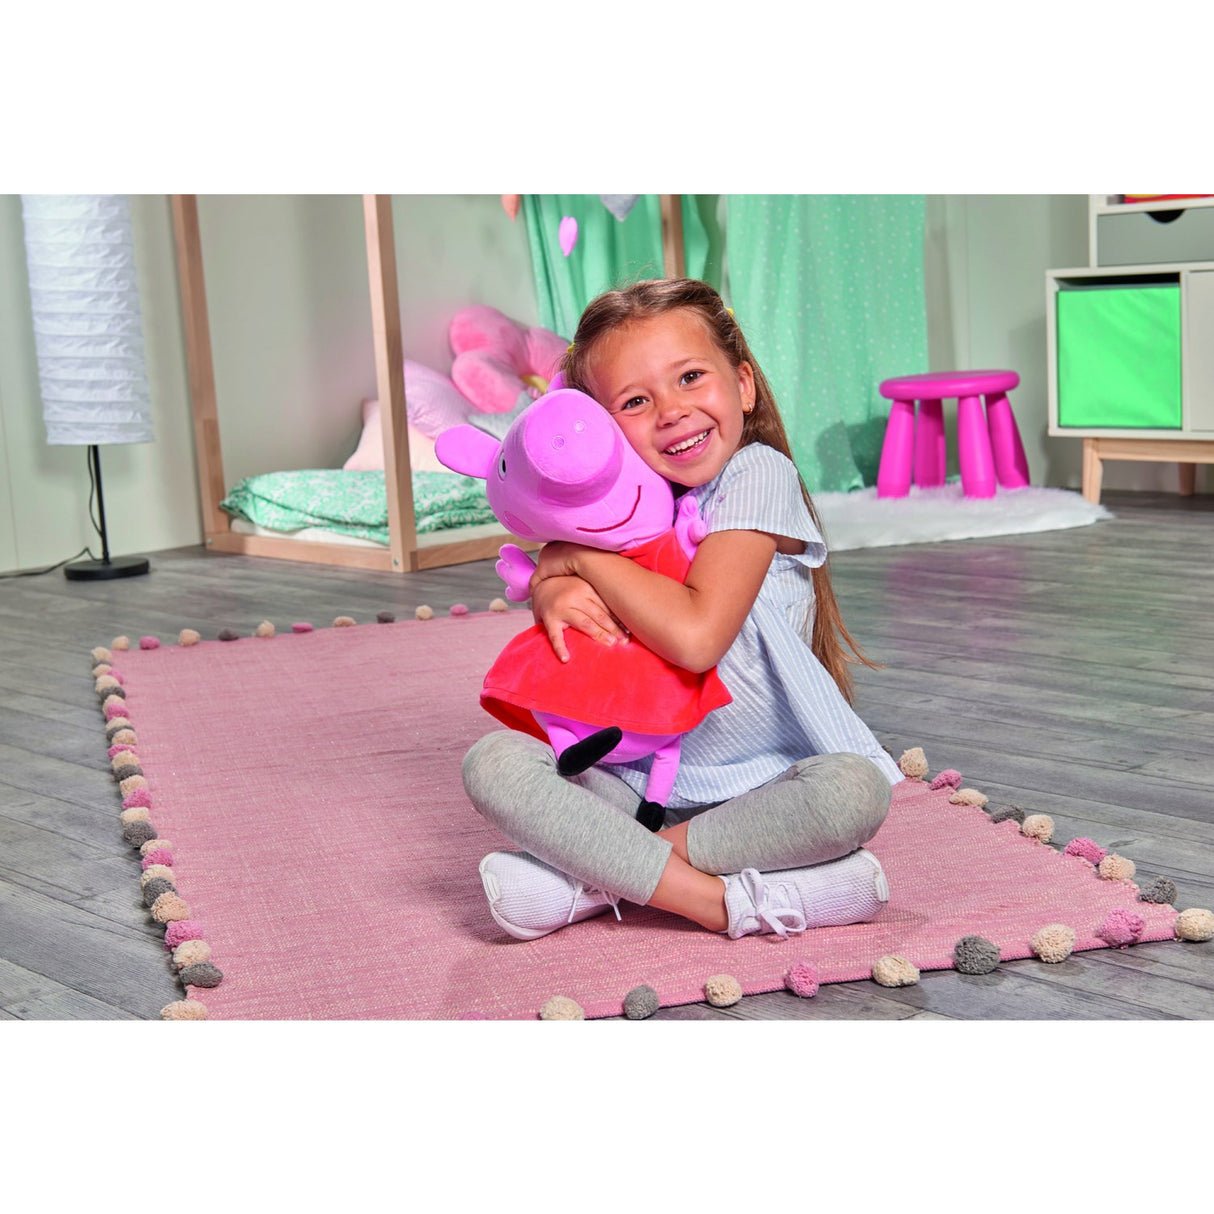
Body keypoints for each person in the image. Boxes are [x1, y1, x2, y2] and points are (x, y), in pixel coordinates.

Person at [463, 278, 901, 942]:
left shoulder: (757, 473)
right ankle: (722, 902)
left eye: (691, 377)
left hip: (761, 792)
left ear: (743, 385)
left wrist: (578, 560)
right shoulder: (621, 509)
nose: (671, 411)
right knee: (494, 762)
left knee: (852, 790)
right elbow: (589, 650)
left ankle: (597, 878)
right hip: (633, 784)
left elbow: (697, 636)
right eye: (635, 401)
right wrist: (552, 586)